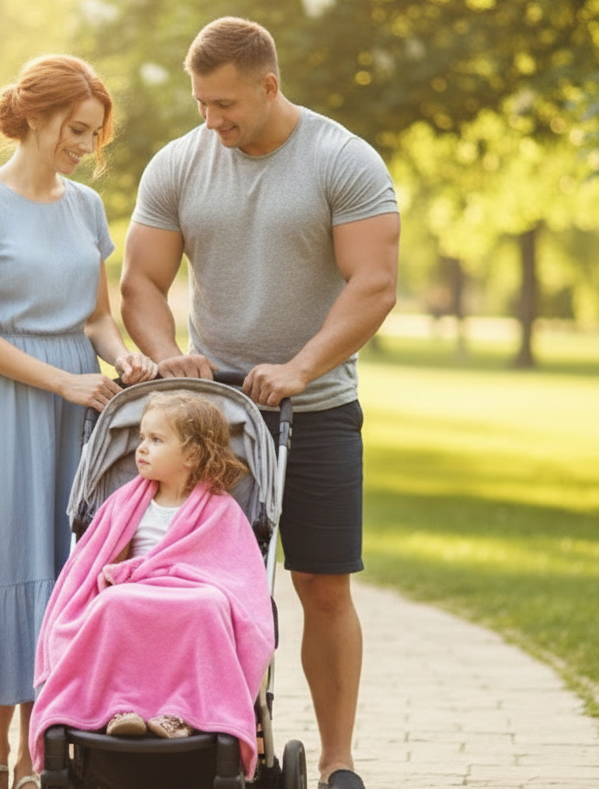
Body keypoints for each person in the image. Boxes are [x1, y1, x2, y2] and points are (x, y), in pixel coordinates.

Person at [119, 17, 400, 790]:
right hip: (211, 420)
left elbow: (374, 283)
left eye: (225, 104)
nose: (212, 120)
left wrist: (303, 366)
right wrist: (171, 360)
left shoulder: (342, 160)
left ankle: (339, 761)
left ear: (269, 85)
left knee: (322, 582)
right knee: (202, 584)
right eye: (202, 103)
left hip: (316, 409)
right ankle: (212, 736)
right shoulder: (179, 162)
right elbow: (141, 283)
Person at [0, 54, 156, 790]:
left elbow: (96, 318)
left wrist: (127, 360)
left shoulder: (84, 208)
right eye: (78, 130)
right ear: (39, 116)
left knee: (64, 568)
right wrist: (62, 380)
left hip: (77, 413)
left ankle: (37, 754)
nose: (87, 146)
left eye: (96, 134)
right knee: (6, 561)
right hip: (3, 406)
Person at [29, 391, 275, 779]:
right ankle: (119, 706)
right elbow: (95, 560)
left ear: (192, 455)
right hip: (136, 590)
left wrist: (178, 578)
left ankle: (183, 713)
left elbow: (234, 570)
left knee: (209, 605)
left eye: (156, 440)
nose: (141, 449)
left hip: (193, 592)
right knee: (113, 604)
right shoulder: (124, 503)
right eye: (142, 438)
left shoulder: (221, 509)